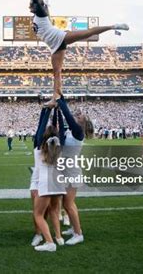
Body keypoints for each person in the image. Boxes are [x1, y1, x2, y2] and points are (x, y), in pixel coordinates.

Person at [27, 0, 129, 106]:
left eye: (30, 5)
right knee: (56, 72)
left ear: (36, 6)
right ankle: (56, 98)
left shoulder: (40, 13)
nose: (29, 7)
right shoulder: (39, 15)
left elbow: (37, 3)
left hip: (60, 37)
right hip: (54, 46)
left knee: (88, 33)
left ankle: (113, 26)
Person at [55, 95, 92, 245]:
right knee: (67, 203)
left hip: (72, 172)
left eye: (79, 116)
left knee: (68, 204)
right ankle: (73, 228)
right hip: (67, 171)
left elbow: (67, 116)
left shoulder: (78, 132)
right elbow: (62, 121)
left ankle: (78, 234)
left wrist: (59, 100)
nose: (77, 115)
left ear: (82, 123)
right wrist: (60, 102)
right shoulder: (71, 131)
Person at [32, 107, 66, 252]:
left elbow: (40, 127)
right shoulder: (61, 145)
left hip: (45, 182)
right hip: (58, 181)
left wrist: (45, 111)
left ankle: (49, 242)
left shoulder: (39, 146)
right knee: (54, 210)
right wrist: (57, 111)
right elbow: (61, 130)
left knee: (38, 214)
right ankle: (59, 237)